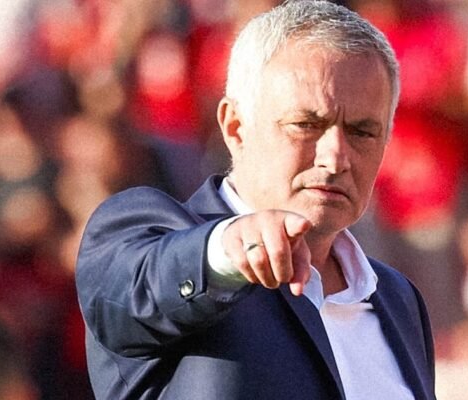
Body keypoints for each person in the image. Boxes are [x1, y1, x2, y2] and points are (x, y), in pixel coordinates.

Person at [75, 1, 436, 399]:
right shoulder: (154, 238)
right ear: (235, 127)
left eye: (362, 132)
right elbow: (127, 296)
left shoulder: (399, 300)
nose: (335, 158)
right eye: (306, 125)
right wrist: (229, 251)